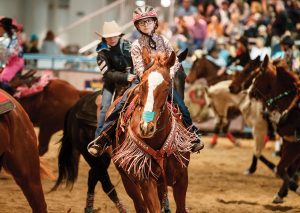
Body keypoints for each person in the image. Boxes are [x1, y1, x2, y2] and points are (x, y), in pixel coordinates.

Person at [88, 5, 204, 156]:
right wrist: (152, 74)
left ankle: (191, 135)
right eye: (142, 23)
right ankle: (102, 138)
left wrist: (167, 72)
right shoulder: (136, 45)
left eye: (148, 21)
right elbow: (139, 69)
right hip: (143, 82)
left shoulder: (164, 41)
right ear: (137, 26)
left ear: (155, 23)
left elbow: (174, 61)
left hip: (161, 82)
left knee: (182, 106)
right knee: (121, 105)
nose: (146, 25)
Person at [93, 20, 136, 138]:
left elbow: (137, 62)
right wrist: (125, 77)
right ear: (104, 38)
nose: (112, 39)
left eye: (114, 36)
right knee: (105, 107)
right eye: (108, 37)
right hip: (112, 83)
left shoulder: (130, 46)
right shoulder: (101, 53)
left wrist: (134, 74)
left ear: (119, 35)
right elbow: (107, 74)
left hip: (133, 78)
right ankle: (99, 137)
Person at [0, 17, 24, 92]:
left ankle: (13, 94)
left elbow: (7, 55)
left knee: (3, 79)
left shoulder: (9, 40)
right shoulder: (10, 38)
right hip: (12, 62)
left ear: (2, 28)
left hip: (14, 63)